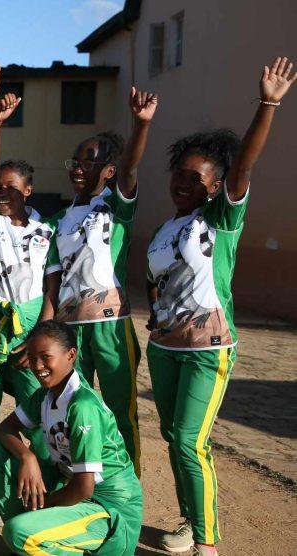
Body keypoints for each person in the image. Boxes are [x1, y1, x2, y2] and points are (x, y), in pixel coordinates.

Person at [147, 58, 294, 556]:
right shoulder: (168, 228)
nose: (183, 183)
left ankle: (207, 544)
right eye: (178, 174)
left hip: (209, 347)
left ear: (216, 185)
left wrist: (268, 104)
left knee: (191, 441)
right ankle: (191, 520)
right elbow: (158, 281)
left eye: (196, 177)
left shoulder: (222, 219)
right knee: (174, 438)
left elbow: (246, 164)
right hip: (164, 346)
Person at [40, 86, 159, 475]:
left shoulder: (115, 206)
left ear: (108, 171)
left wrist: (141, 125)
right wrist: (49, 323)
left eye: (88, 161)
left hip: (110, 325)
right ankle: (81, 478)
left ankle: (130, 487)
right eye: (75, 161)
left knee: (120, 410)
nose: (77, 167)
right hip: (72, 331)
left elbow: (130, 170)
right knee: (75, 407)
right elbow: (53, 282)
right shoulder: (60, 220)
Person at [0, 320, 142, 555]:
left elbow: (84, 488)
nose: (38, 366)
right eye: (33, 357)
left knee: (17, 531)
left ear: (71, 355)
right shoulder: (46, 395)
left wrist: (44, 504)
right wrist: (27, 457)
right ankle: (32, 539)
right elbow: (5, 429)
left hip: (109, 507)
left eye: (46, 357)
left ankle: (33, 536)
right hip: (74, 490)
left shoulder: (82, 405)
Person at [0, 90, 56, 446]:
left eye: (12, 188)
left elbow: (51, 289)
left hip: (28, 333)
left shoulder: (46, 231)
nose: (3, 193)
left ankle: (40, 475)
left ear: (29, 190)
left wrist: (38, 335)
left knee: (36, 406)